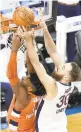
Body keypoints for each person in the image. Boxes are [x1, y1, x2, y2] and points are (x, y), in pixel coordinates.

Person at [18, 22, 81, 132]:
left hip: (47, 128)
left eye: (62, 68)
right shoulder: (69, 84)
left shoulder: (53, 86)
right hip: (61, 126)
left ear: (66, 77)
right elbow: (53, 51)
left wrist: (28, 40)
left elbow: (36, 63)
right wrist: (45, 29)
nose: (60, 66)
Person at [6, 33, 42, 132]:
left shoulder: (23, 97)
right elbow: (31, 63)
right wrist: (30, 42)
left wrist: (14, 48)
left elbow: (11, 75)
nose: (25, 76)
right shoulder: (35, 90)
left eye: (27, 78)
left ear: (29, 88)